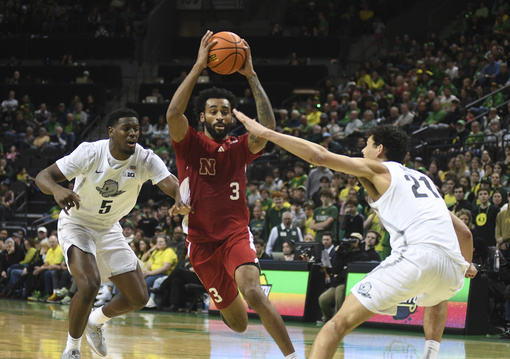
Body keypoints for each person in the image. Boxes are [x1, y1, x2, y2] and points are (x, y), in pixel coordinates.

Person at [234, 114, 477, 359]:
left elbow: (319, 156)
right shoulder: (424, 180)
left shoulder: (379, 168)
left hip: (416, 257)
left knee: (337, 324)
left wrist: (266, 134)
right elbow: (465, 233)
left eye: (367, 145)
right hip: (451, 267)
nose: (362, 150)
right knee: (438, 296)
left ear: (379, 149)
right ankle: (430, 354)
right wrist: (467, 265)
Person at [166, 31, 297, 358]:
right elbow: (172, 115)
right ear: (202, 117)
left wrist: (251, 74)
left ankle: (293, 356)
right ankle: (230, 290)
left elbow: (268, 127)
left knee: (253, 290)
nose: (221, 116)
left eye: (226, 111)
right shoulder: (190, 144)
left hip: (235, 235)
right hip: (200, 244)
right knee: (237, 323)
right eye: (213, 111)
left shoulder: (240, 147)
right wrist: (198, 67)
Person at [35, 108, 191, 359]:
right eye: (126, 128)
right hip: (77, 223)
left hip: (109, 227)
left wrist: (180, 198)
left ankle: (95, 321)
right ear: (111, 131)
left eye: (136, 128)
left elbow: (171, 183)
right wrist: (56, 190)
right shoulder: (90, 152)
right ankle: (72, 349)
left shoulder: (145, 158)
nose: (133, 133)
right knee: (90, 283)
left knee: (139, 297)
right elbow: (43, 176)